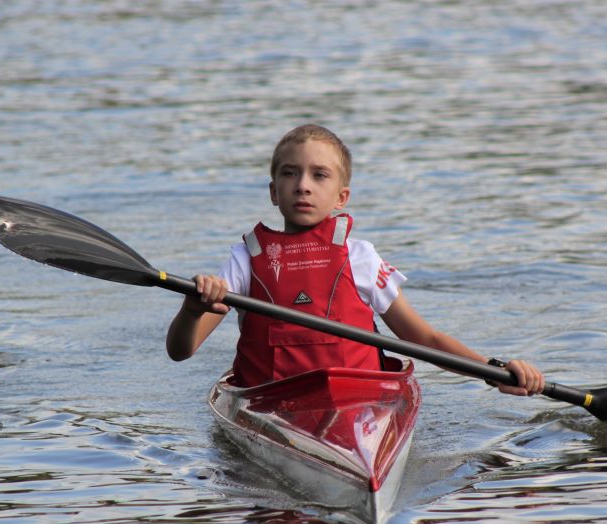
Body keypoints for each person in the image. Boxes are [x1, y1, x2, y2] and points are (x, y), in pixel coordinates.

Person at [166, 124, 544, 396]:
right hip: (271, 402)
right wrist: (193, 309)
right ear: (273, 192)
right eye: (290, 174)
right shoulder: (244, 261)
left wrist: (494, 370)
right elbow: (181, 351)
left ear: (341, 197)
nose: (303, 184)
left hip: (362, 405)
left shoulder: (359, 256)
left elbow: (423, 338)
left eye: (320, 175)